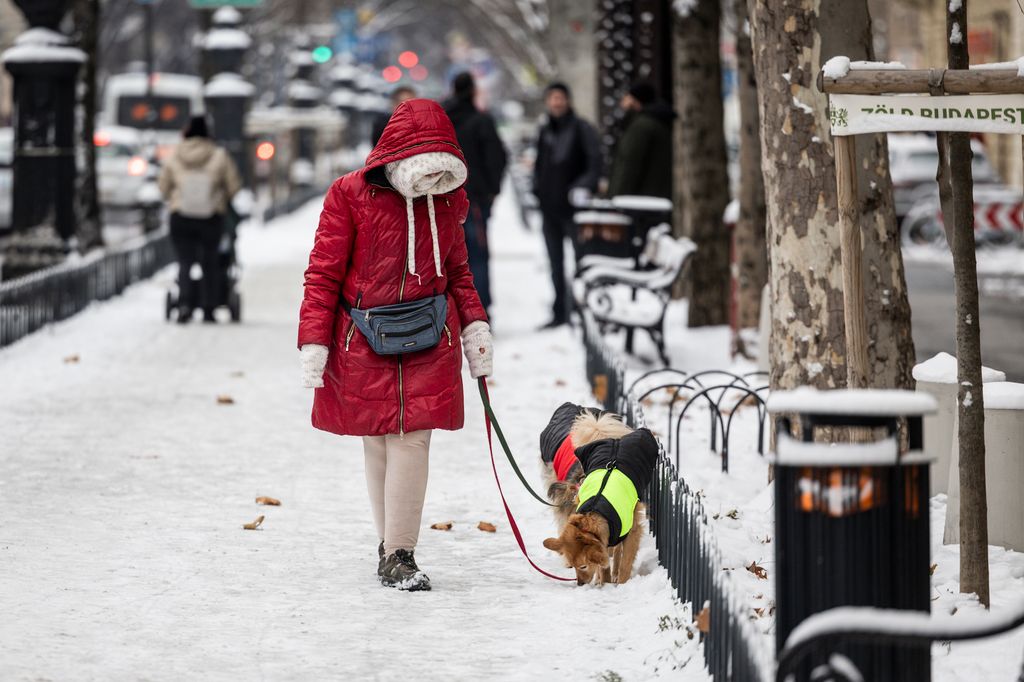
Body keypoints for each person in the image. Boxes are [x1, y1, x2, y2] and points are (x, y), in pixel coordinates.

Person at [298, 98, 493, 592]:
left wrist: (475, 328)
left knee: (412, 438)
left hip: (431, 333)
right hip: (363, 336)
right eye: (425, 171)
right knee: (379, 438)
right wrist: (314, 340)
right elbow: (322, 274)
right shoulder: (348, 195)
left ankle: (399, 552)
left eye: (441, 173)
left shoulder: (449, 199)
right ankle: (389, 547)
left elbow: (459, 272)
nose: (433, 182)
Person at [532, 82, 602, 328]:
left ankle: (584, 311)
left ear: (568, 100)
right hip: (549, 208)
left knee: (582, 262)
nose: (556, 102)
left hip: (574, 211)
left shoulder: (582, 129)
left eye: (560, 97)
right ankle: (560, 311)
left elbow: (595, 164)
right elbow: (540, 165)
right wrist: (537, 190)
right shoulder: (545, 130)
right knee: (555, 264)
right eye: (552, 98)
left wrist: (581, 186)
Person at [158, 115, 242, 323]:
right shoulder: (219, 155)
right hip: (210, 218)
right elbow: (233, 186)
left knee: (185, 262)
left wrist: (177, 198)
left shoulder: (175, 154)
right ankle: (208, 307)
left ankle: (185, 304)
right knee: (210, 262)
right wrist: (219, 199)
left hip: (181, 217)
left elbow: (163, 188)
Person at [443, 72, 507, 318]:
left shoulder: (443, 120)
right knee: (477, 255)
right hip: (474, 198)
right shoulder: (481, 121)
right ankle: (479, 310)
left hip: (444, 197)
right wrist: (492, 190)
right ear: (472, 91)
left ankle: (453, 310)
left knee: (448, 256)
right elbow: (496, 157)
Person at [607, 82, 674, 199]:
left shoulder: (641, 126)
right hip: (652, 197)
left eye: (626, 97)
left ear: (634, 100)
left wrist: (616, 199)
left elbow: (628, 164)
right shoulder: (655, 122)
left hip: (639, 201)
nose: (622, 102)